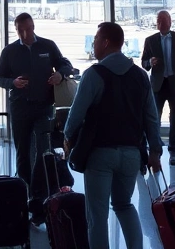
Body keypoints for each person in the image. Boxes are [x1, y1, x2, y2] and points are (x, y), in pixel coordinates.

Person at [63, 22, 162, 249]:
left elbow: (76, 114)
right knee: (124, 205)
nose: (94, 43)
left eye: (96, 39)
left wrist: (67, 137)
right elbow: (151, 118)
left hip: (100, 153)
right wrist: (155, 150)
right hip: (131, 154)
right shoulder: (140, 75)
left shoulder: (94, 74)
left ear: (106, 42)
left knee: (97, 215)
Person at [0, 13, 75, 193]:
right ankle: (25, 190)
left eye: (28, 29)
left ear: (33, 27)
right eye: (20, 30)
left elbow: (66, 65)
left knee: (44, 148)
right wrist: (13, 83)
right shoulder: (9, 51)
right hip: (20, 107)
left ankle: (42, 190)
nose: (25, 34)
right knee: (22, 151)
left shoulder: (48, 45)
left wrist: (60, 74)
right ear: (16, 30)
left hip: (44, 107)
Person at [140, 11, 175, 165]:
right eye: (159, 20)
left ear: (170, 21)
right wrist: (149, 62)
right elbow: (143, 63)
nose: (162, 23)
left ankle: (173, 151)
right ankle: (155, 151)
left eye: (164, 20)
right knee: (154, 119)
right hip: (158, 86)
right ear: (156, 23)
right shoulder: (150, 40)